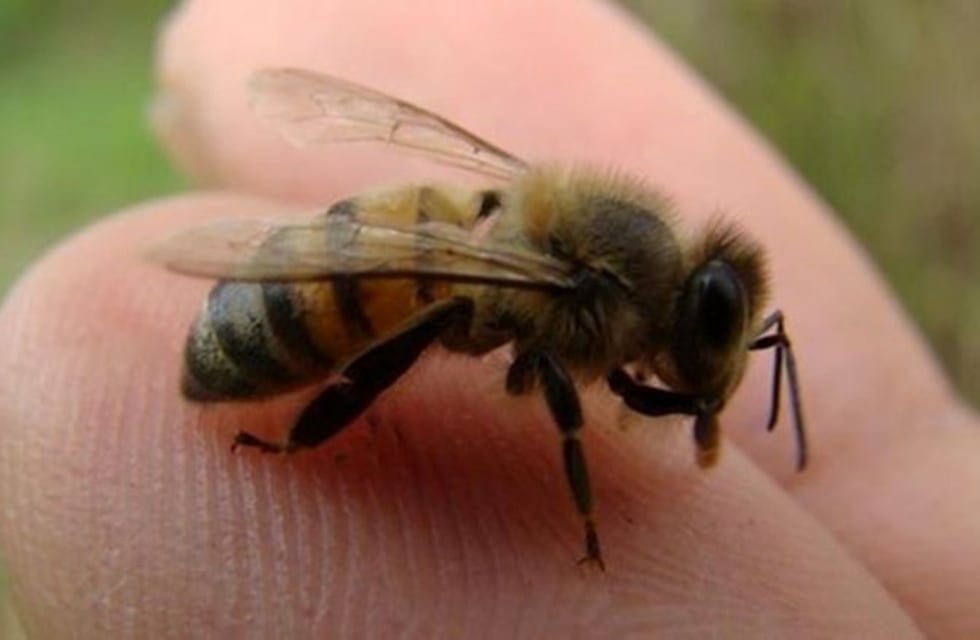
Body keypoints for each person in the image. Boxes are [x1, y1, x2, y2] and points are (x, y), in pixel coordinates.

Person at [1, 0, 977, 636]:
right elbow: (570, 386)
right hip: (351, 280)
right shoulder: (593, 291)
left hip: (436, 237)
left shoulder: (611, 265)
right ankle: (302, 439)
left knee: (444, 303)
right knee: (435, 310)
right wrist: (587, 516)